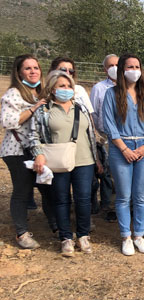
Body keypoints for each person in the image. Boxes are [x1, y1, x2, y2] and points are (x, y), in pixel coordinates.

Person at [30, 70, 101, 257]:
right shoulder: (44, 110)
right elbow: (34, 135)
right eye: (62, 86)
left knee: (84, 199)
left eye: (69, 86)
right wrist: (38, 154)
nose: (66, 89)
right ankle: (66, 238)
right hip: (58, 161)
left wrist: (97, 159)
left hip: (84, 160)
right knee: (61, 200)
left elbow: (90, 133)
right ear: (52, 89)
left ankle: (83, 235)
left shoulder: (81, 108)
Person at [102, 54, 144, 256]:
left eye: (137, 66)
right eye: (129, 66)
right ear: (122, 70)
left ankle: (139, 235)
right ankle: (126, 235)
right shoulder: (112, 94)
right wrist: (124, 148)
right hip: (120, 148)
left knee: (141, 196)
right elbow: (108, 124)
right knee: (124, 196)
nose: (134, 70)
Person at [1, 54, 56, 249]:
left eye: (36, 68)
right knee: (22, 190)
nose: (33, 71)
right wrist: (33, 109)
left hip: (37, 150)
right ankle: (21, 233)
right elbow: (7, 122)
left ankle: (56, 226)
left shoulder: (40, 93)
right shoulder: (14, 94)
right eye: (28, 68)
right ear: (18, 72)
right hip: (16, 150)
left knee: (47, 187)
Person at [89, 54, 118, 222]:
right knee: (108, 172)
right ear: (105, 69)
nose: (114, 68)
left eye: (117, 64)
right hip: (105, 137)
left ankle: (118, 203)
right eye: (111, 65)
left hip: (125, 137)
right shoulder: (99, 88)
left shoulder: (129, 86)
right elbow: (93, 113)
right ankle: (108, 205)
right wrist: (98, 136)